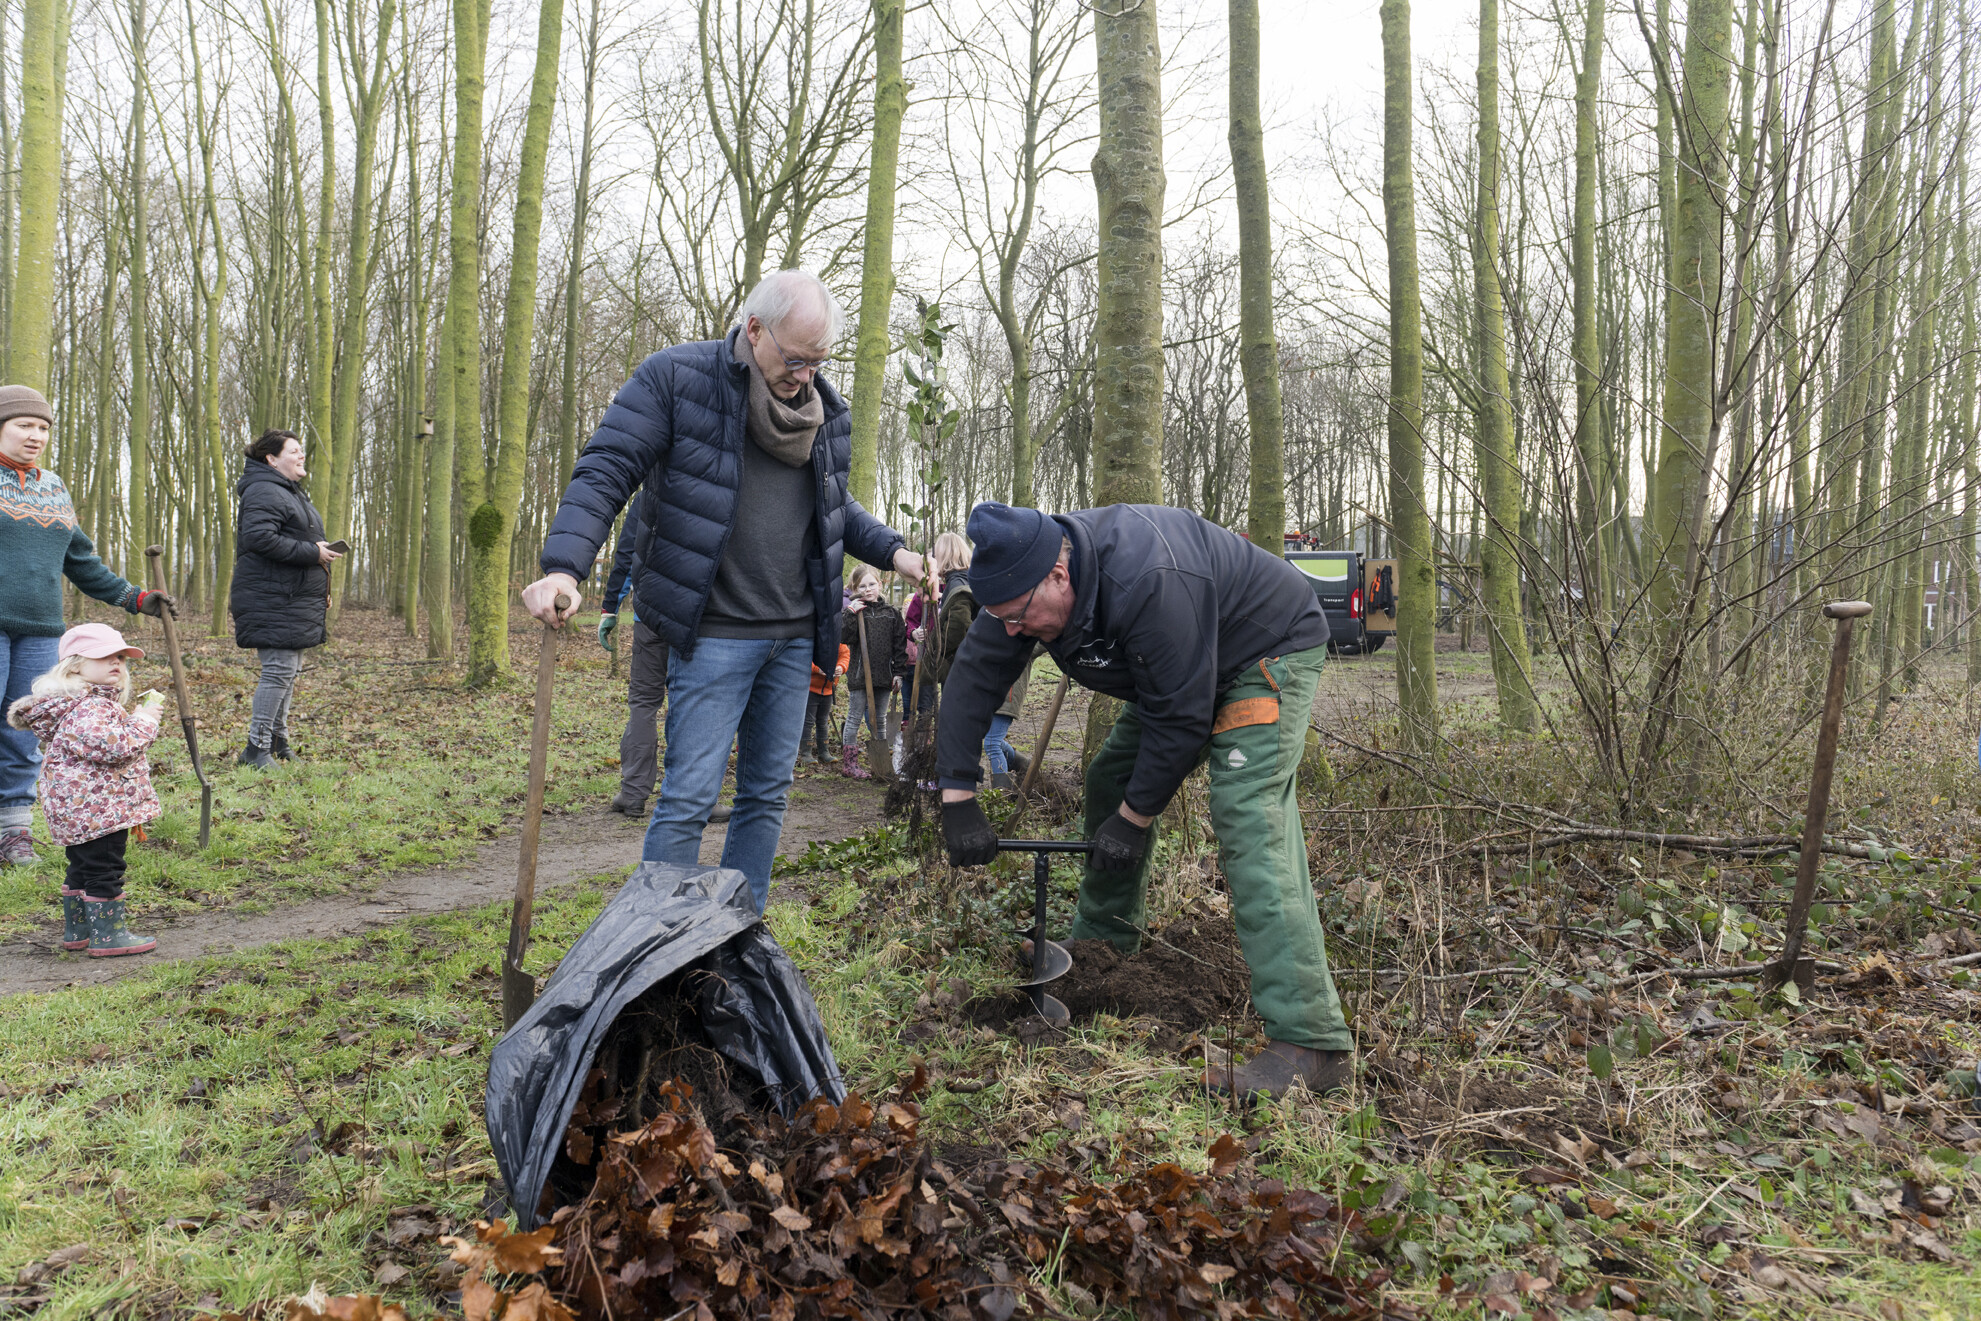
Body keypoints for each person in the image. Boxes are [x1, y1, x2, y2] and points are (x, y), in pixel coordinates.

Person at [520, 269, 926, 912]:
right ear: (755, 329)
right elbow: (607, 469)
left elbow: (834, 508)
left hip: (794, 638)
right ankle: (656, 938)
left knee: (766, 799)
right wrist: (565, 567)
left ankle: (738, 934)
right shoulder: (677, 379)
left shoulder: (825, 412)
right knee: (688, 799)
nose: (806, 376)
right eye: (796, 359)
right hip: (712, 634)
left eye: (819, 362)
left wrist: (896, 552)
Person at [936, 501, 1349, 1101]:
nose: (1013, 632)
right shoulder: (1018, 586)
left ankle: (1310, 1041)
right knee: (1111, 777)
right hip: (1180, 667)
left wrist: (1132, 822)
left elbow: (1181, 719)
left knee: (1248, 813)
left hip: (1263, 650)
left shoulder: (1149, 578)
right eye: (1003, 619)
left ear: (1059, 575)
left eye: (1020, 617)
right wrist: (957, 796)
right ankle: (1102, 943)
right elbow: (973, 677)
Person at [0, 383, 175, 866]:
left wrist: (136, 598)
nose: (35, 435)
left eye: (42, 427)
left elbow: (80, 560)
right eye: (23, 425)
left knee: (28, 729)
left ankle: (13, 833)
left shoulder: (52, 488)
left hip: (40, 629)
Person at [6, 623, 166, 956]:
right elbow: (116, 747)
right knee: (105, 869)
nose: (116, 663)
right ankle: (108, 937)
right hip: (99, 809)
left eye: (121, 657)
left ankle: (78, 931)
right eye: (105, 656)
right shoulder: (89, 707)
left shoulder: (76, 704)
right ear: (75, 665)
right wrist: (145, 720)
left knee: (81, 867)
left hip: (81, 809)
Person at [230, 429, 338, 769]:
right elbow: (259, 538)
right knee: (278, 670)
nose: (302, 455)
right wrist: (313, 552)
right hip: (271, 597)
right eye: (294, 451)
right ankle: (255, 749)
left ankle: (277, 741)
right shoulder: (264, 489)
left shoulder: (289, 492)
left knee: (288, 671)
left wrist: (322, 590)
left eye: (302, 449)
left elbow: (300, 544)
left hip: (292, 598)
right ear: (271, 459)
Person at [598, 510, 671, 818]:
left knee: (643, 703)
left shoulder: (647, 498)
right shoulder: (719, 492)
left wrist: (610, 609)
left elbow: (627, 556)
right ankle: (694, 795)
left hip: (652, 615)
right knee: (694, 702)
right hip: (702, 618)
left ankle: (634, 793)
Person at [838, 565, 907, 780]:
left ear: (880, 584)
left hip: (884, 674)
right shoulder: (856, 612)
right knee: (854, 717)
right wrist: (850, 613)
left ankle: (881, 764)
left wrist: (899, 672)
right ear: (854, 589)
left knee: (880, 719)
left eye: (871, 584)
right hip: (860, 674)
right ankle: (850, 764)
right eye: (862, 586)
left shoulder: (892, 613)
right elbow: (844, 636)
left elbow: (900, 645)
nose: (868, 589)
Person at [804, 641, 850, 766]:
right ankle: (806, 753)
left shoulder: (838, 642)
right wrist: (817, 669)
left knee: (823, 722)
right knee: (808, 721)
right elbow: (804, 658)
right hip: (810, 689)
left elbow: (845, 655)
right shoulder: (813, 640)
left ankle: (823, 751)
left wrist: (841, 667)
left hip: (828, 689)